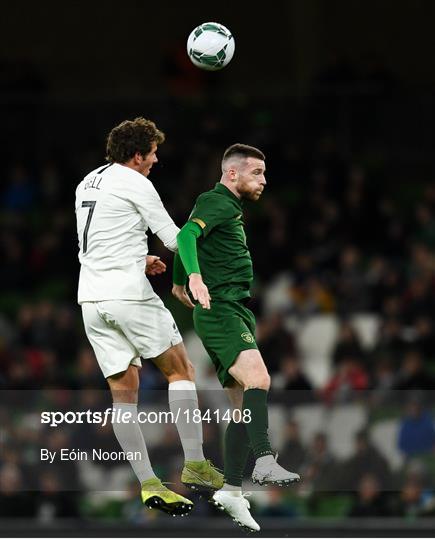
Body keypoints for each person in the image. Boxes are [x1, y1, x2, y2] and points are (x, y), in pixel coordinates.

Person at [75, 117, 223, 517]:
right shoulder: (137, 182)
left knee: (124, 392)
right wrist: (203, 261)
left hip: (91, 300)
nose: (156, 160)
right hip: (128, 296)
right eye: (153, 153)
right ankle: (195, 464)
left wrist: (139, 259)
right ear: (137, 155)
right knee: (181, 370)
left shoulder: (86, 182)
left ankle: (148, 483)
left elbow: (98, 244)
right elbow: (175, 237)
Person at [172, 143, 300, 531]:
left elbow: (186, 236)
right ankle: (263, 459)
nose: (263, 179)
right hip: (222, 309)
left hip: (234, 309)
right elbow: (187, 237)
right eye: (256, 172)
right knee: (260, 379)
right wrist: (192, 278)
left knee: (243, 404)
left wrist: (179, 279)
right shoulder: (218, 201)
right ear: (232, 174)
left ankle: (231, 489)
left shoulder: (221, 207)